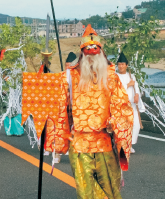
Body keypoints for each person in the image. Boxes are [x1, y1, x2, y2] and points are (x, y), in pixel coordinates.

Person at [45, 24, 134, 198]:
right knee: (86, 192)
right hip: (79, 144)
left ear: (101, 53)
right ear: (81, 53)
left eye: (95, 49)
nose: (92, 53)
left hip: (104, 143)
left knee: (111, 191)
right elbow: (58, 109)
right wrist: (58, 139)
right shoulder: (68, 77)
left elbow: (123, 108)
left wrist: (114, 122)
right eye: (88, 49)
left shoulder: (111, 77)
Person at [117, 52, 145, 154]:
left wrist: (137, 94)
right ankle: (122, 147)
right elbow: (116, 90)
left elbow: (136, 87)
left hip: (132, 105)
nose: (121, 66)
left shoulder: (131, 75)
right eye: (119, 64)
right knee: (123, 126)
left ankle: (129, 145)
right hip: (121, 106)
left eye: (122, 64)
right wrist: (127, 85)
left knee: (135, 125)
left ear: (126, 65)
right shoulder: (115, 76)